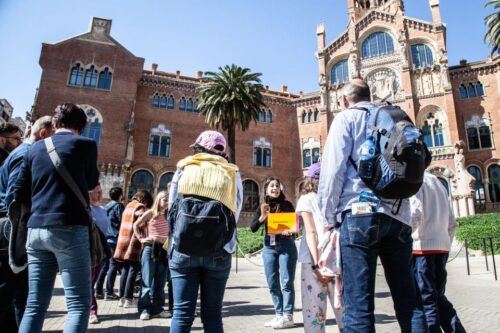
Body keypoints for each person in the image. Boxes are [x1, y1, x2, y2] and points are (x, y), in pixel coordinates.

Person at [317, 79, 426, 333]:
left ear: (344, 100)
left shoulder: (346, 119)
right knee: (409, 301)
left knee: (359, 306)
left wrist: (327, 219)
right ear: (369, 95)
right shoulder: (392, 116)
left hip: (359, 217)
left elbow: (332, 173)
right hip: (399, 217)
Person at [14, 103, 99, 333]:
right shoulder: (86, 144)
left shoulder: (34, 149)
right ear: (81, 126)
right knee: (78, 305)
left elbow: (19, 191)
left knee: (34, 304)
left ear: (55, 123)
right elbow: (92, 183)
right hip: (69, 228)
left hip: (36, 230)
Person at [168, 130, 243, 333]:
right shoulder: (232, 172)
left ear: (198, 147)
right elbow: (236, 210)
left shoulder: (184, 167)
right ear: (223, 151)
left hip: (183, 248)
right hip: (219, 250)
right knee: (212, 314)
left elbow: (172, 208)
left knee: (182, 313)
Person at [0, 116, 53, 333]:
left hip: (15, 229)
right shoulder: (26, 155)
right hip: (13, 230)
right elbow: (14, 199)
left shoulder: (23, 153)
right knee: (8, 292)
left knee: (20, 296)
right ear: (43, 135)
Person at [411, 172, 466, 333]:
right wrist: (445, 244)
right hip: (441, 247)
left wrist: (404, 240)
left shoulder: (413, 178)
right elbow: (451, 222)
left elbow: (415, 214)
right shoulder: (436, 181)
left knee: (426, 300)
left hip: (421, 248)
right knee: (438, 297)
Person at [296, 163, 344, 333]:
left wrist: (317, 266)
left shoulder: (305, 199)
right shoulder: (336, 197)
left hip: (312, 261)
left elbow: (311, 233)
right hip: (336, 258)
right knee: (343, 310)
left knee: (313, 314)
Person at [250, 177, 297, 329]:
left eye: (277, 186)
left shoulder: (287, 205)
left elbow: (295, 226)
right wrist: (263, 216)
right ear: (266, 189)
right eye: (272, 186)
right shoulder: (263, 206)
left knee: (287, 282)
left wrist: (292, 231)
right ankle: (278, 315)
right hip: (269, 247)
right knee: (272, 283)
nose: (275, 188)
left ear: (280, 189)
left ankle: (288, 316)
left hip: (286, 245)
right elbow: (253, 228)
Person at [133, 190, 171, 320]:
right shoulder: (150, 213)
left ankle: (157, 309)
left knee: (160, 282)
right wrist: (141, 238)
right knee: (147, 281)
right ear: (158, 200)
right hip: (151, 248)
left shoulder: (169, 215)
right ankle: (144, 309)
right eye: (165, 199)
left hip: (164, 249)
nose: (167, 201)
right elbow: (136, 225)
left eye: (168, 199)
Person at [114, 190, 153, 308]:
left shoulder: (127, 206)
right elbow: (142, 220)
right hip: (133, 241)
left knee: (125, 270)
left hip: (123, 241)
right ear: (145, 200)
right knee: (133, 270)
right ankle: (128, 299)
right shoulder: (139, 206)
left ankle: (121, 298)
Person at [95, 187, 125, 300]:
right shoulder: (118, 206)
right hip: (114, 238)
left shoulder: (106, 206)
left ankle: (98, 291)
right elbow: (122, 220)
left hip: (105, 238)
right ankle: (109, 292)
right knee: (113, 265)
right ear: (120, 195)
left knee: (104, 265)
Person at [89, 185, 110, 324]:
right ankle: (91, 311)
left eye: (101, 192)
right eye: (97, 192)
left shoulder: (103, 209)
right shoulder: (85, 209)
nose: (100, 194)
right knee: (88, 282)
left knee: (93, 280)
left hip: (101, 248)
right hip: (89, 248)